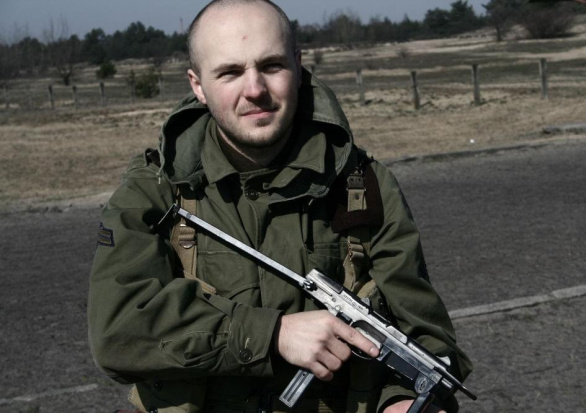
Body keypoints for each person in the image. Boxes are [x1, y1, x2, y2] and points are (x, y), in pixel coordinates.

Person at [88, 1, 473, 412]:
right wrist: (273, 334)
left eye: (271, 66)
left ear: (298, 63)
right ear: (197, 85)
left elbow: (425, 335)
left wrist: (403, 402)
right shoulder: (156, 191)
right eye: (230, 72)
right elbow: (118, 333)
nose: (255, 89)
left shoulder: (361, 183)